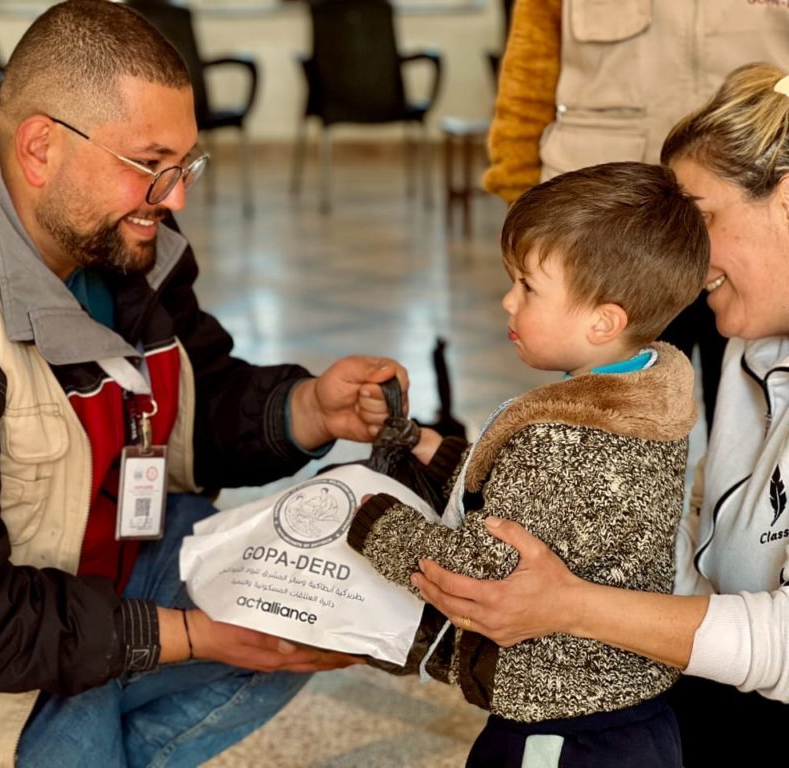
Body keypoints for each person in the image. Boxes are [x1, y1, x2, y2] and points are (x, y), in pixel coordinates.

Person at [0, 2, 408, 767]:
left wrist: (307, 408)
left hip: (83, 575)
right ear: (40, 147)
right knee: (196, 662)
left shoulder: (111, 239)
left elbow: (182, 407)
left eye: (185, 166)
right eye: (150, 164)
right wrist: (182, 637)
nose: (174, 198)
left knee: (308, 608)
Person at [416, 62, 789, 767]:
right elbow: (696, 525)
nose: (686, 256)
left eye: (700, 219)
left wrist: (570, 605)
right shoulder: (743, 349)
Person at [347, 161, 709, 767]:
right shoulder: (639, 394)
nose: (507, 299)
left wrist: (374, 522)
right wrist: (431, 450)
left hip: (563, 726)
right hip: (628, 712)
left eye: (528, 286)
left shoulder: (565, 438)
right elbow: (539, 504)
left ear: (604, 320)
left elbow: (483, 575)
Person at [482, 0, 789, 432]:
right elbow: (528, 81)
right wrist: (536, 231)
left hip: (753, 229)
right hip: (606, 248)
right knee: (607, 418)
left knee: (748, 409)